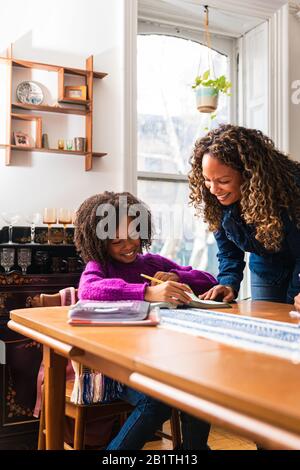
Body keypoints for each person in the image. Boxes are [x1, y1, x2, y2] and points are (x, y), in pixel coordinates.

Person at [74, 191, 217, 450]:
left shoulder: (152, 263)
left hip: (158, 363)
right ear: (99, 242)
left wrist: (176, 276)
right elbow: (89, 290)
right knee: (157, 401)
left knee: (198, 389)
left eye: (134, 234)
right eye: (116, 240)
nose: (128, 245)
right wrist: (148, 292)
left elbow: (209, 280)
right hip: (111, 369)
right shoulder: (99, 266)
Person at [189, 124, 300, 304]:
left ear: (249, 175)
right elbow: (228, 251)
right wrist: (227, 283)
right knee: (269, 320)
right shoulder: (217, 200)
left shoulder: (290, 192)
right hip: (267, 265)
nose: (214, 189)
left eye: (223, 181)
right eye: (207, 180)